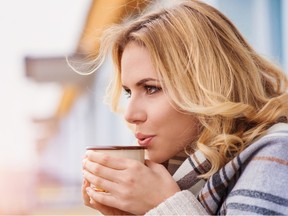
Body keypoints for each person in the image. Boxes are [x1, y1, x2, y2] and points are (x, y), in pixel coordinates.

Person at [81, 0, 288, 215]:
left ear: (209, 85)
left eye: (151, 88)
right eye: (128, 92)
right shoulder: (182, 172)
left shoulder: (277, 155)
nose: (130, 115)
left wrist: (166, 207)